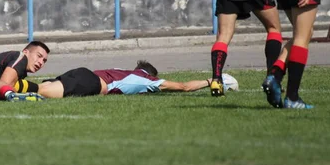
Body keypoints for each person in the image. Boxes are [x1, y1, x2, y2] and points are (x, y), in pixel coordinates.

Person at [13, 60, 238, 98]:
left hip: (83, 72)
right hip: (93, 83)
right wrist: (213, 80)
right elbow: (184, 87)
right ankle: (4, 87)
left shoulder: (124, 70)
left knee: (40, 87)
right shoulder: (146, 80)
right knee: (42, 93)